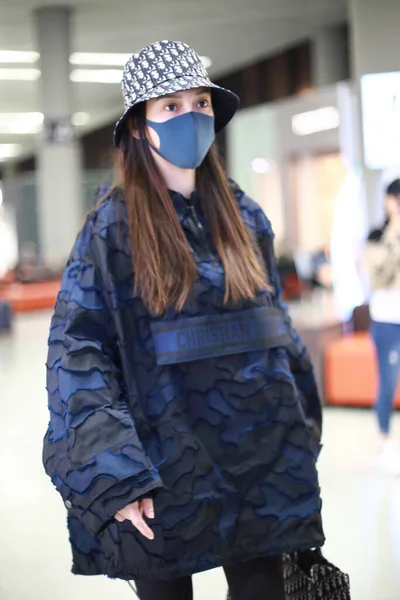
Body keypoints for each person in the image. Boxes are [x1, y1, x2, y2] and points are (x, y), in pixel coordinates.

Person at [43, 40, 324, 600]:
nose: (190, 117)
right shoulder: (112, 230)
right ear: (139, 127)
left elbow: (278, 334)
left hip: (259, 465)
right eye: (169, 107)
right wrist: (114, 472)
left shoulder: (244, 218)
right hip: (161, 470)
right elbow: (79, 354)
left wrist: (303, 435)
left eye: (199, 103)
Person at [364, 178, 400, 474]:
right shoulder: (376, 235)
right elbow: (379, 276)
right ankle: (385, 441)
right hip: (388, 322)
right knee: (388, 383)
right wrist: (394, 236)